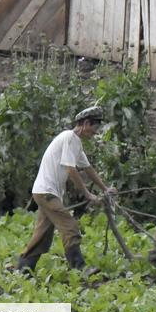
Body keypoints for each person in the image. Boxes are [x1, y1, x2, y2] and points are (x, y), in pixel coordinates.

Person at [16, 106, 115, 273]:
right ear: (85, 123)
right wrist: (88, 194)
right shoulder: (69, 137)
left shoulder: (76, 144)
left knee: (43, 234)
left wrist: (105, 189)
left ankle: (23, 267)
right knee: (70, 227)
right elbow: (71, 169)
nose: (95, 133)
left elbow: (88, 169)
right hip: (46, 192)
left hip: (45, 192)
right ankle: (79, 268)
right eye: (94, 128)